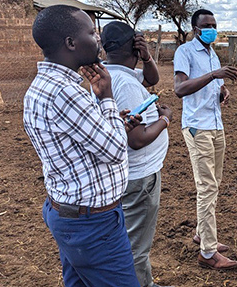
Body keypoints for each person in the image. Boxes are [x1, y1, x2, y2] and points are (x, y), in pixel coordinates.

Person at [23, 4, 141, 287]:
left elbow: (84, 140)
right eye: (91, 32)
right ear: (71, 43)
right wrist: (108, 98)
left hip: (68, 213)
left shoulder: (42, 86)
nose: (98, 37)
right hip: (93, 225)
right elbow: (114, 150)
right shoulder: (66, 92)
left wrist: (107, 116)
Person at [101, 21, 172, 287]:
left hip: (127, 174)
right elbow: (137, 139)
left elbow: (152, 79)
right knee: (136, 246)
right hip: (140, 177)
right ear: (134, 44)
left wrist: (146, 57)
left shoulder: (110, 73)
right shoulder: (126, 84)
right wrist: (165, 120)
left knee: (127, 237)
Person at [173, 9, 237, 270]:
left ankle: (203, 234)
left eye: (214, 24)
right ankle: (208, 253)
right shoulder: (185, 52)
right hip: (197, 128)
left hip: (216, 125)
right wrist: (214, 76)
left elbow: (211, 85)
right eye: (206, 25)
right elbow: (180, 89)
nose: (211, 28)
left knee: (215, 183)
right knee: (207, 187)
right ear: (195, 29)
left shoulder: (212, 53)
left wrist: (221, 90)